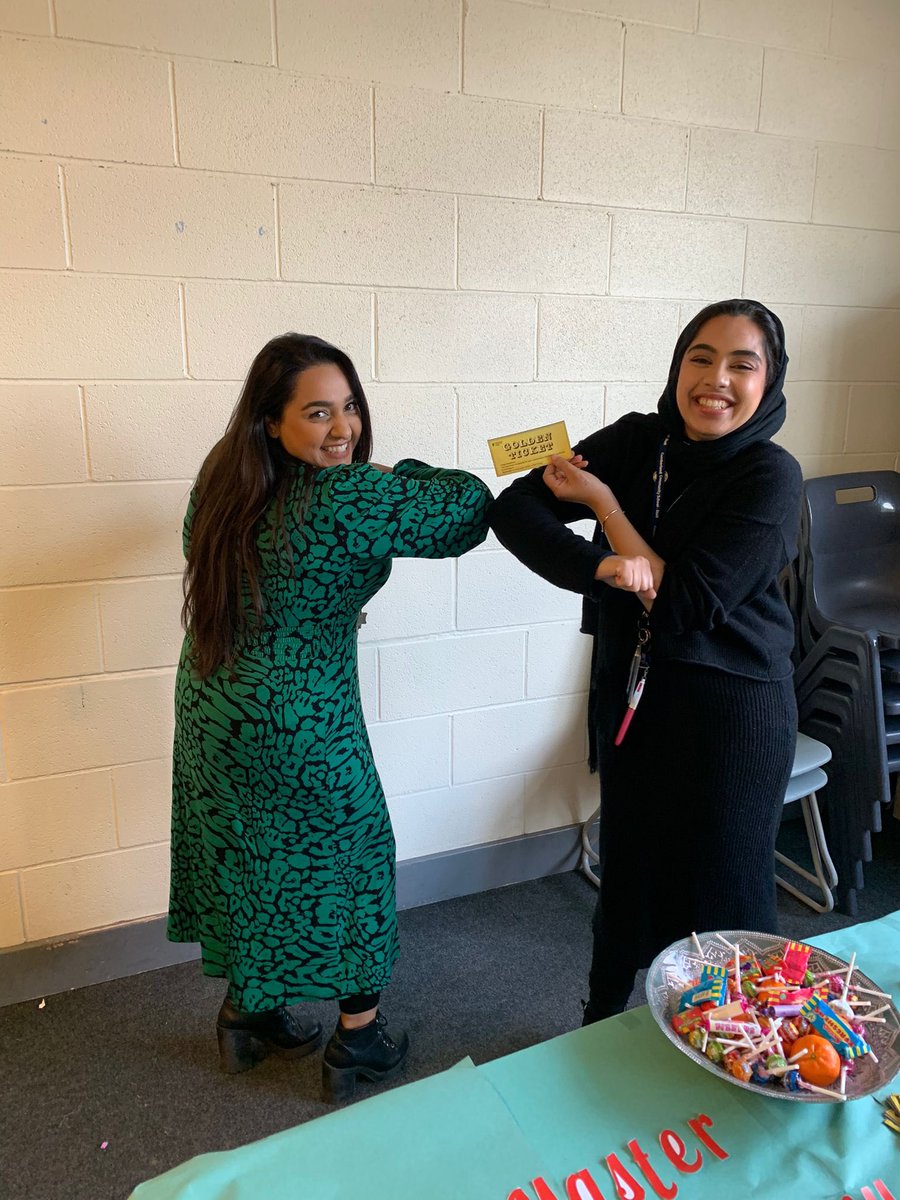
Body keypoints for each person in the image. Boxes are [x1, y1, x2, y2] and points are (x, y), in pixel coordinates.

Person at [168, 333, 491, 1100]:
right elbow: (467, 510)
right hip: (300, 718)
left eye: (349, 407)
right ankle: (359, 1040)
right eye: (318, 412)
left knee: (249, 850)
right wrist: (402, 473)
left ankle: (249, 1013)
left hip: (212, 704)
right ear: (271, 421)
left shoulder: (224, 475)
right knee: (354, 860)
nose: (343, 427)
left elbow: (196, 544)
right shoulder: (350, 495)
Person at [489, 299, 802, 1022]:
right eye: (701, 357)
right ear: (677, 365)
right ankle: (600, 1020)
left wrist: (603, 502)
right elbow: (516, 508)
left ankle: (733, 1045)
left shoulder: (770, 477)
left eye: (742, 365)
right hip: (634, 697)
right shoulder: (640, 439)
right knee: (628, 873)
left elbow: (684, 604)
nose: (715, 379)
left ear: (769, 381)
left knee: (724, 894)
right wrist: (601, 568)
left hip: (732, 713)